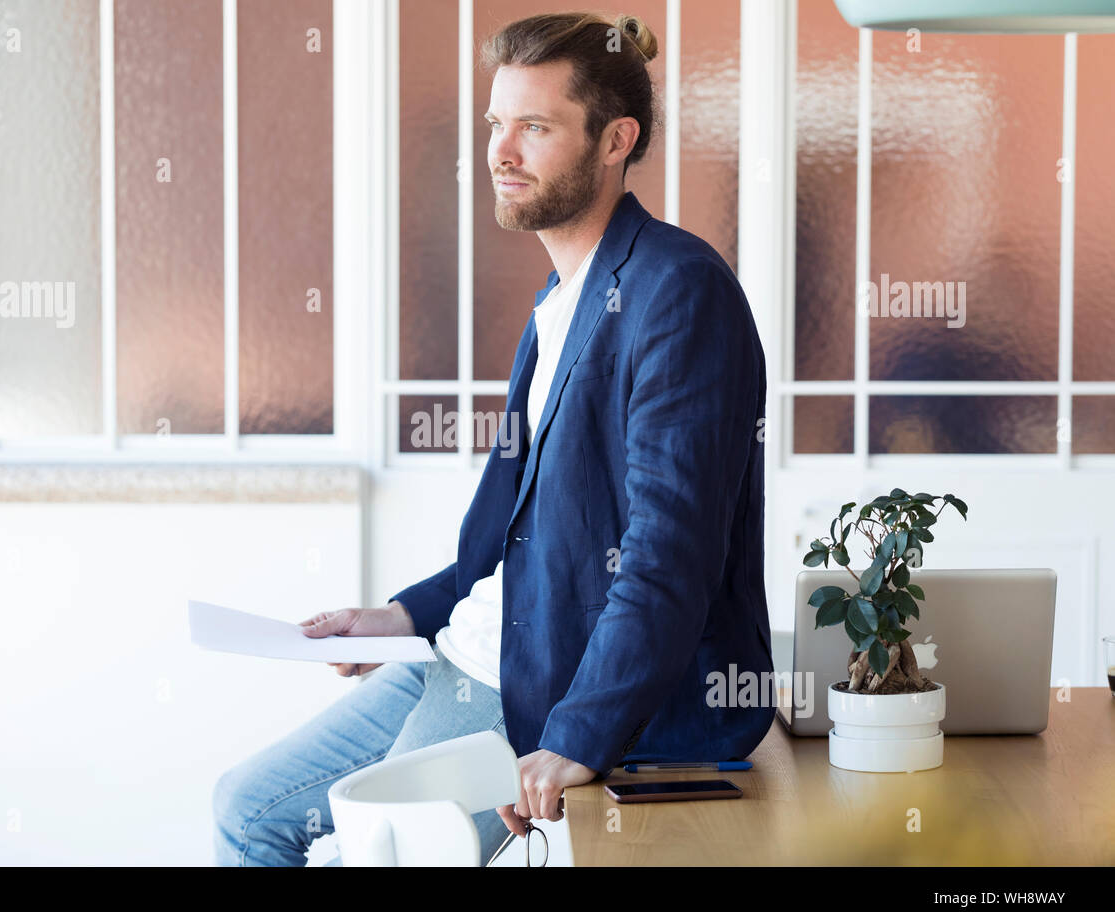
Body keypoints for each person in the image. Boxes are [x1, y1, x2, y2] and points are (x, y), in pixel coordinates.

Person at [213, 10, 774, 867]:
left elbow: (671, 556)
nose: (501, 152)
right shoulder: (562, 300)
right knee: (246, 810)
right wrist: (402, 615)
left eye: (535, 128)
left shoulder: (677, 294)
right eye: (495, 124)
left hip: (537, 686)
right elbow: (516, 539)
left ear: (615, 140)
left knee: (381, 853)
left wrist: (580, 735)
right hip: (469, 649)